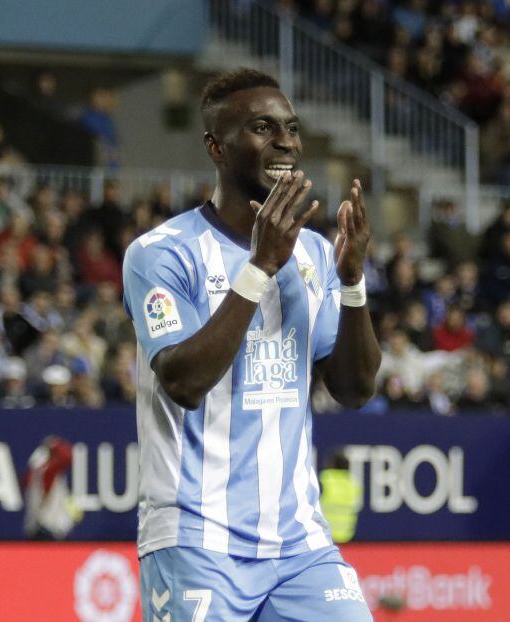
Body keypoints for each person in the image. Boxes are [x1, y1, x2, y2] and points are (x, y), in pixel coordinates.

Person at [122, 68, 380, 622]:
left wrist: (353, 280)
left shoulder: (314, 254)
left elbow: (355, 389)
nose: (285, 141)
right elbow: (183, 381)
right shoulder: (162, 254)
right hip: (196, 539)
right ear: (216, 146)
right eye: (263, 128)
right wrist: (261, 265)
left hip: (299, 545)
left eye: (290, 127)